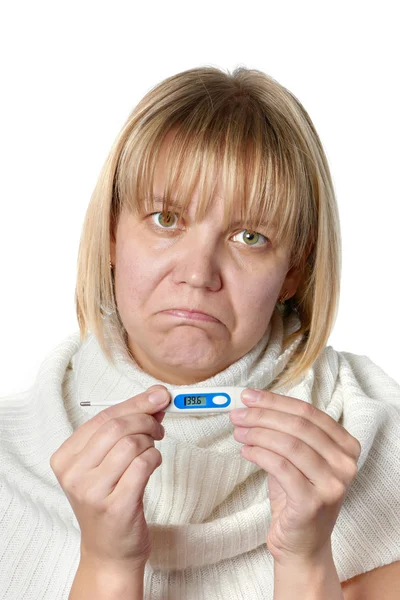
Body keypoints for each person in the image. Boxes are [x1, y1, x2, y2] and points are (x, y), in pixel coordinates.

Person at [1, 66, 399, 600]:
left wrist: (306, 563)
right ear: (113, 235)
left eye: (249, 235)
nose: (197, 273)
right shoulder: (9, 460)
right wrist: (107, 567)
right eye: (166, 219)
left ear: (295, 270)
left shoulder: (376, 441)